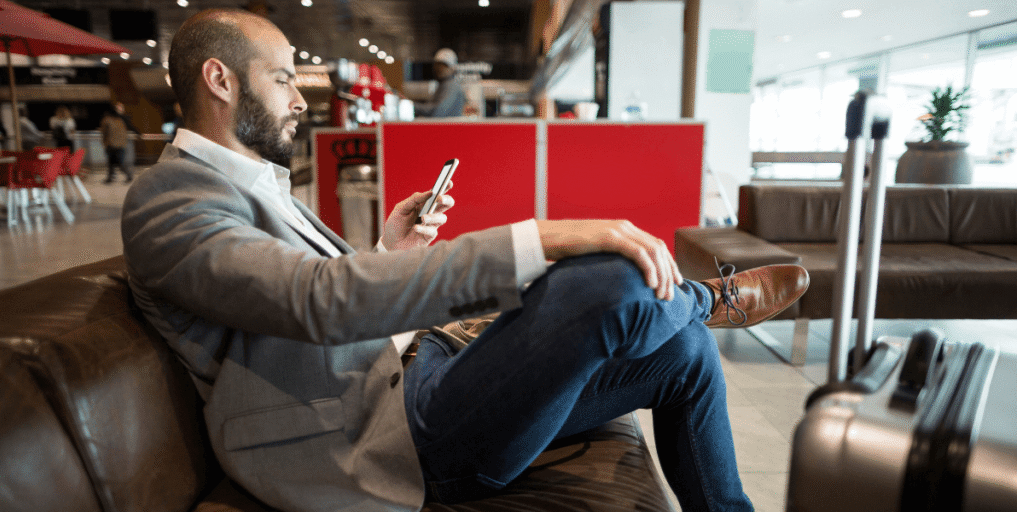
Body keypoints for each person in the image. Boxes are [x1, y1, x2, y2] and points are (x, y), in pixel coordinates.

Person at [121, 10, 810, 512]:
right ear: (219, 79)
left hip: (419, 378)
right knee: (611, 280)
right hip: (386, 443)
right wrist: (540, 235)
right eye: (281, 78)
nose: (301, 98)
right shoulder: (168, 201)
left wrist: (387, 252)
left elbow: (287, 301)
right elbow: (313, 299)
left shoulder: (238, 185)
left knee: (683, 351)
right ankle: (708, 298)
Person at [414, 48, 467, 117]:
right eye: (438, 65)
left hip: (449, 127)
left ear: (452, 68)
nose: (440, 69)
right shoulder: (443, 85)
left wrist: (410, 105)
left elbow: (436, 112)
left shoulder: (452, 86)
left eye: (444, 66)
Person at [100, 103, 137, 183]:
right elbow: (127, 129)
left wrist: (104, 142)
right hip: (119, 144)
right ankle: (111, 178)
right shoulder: (120, 120)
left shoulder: (107, 120)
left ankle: (128, 175)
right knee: (113, 163)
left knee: (116, 163)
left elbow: (104, 133)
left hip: (112, 144)